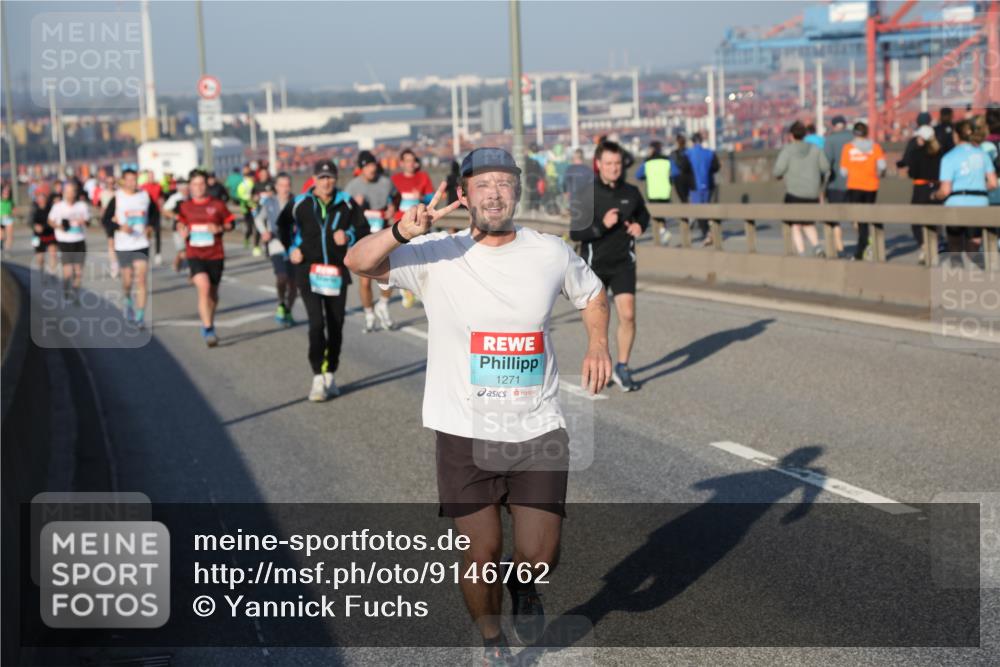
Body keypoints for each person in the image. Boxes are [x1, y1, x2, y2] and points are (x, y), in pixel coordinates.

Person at [345, 147, 611, 666]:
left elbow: (593, 295)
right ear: (463, 194)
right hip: (464, 430)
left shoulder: (549, 252)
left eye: (504, 183)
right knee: (480, 553)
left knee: (540, 556)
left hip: (537, 429)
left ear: (517, 191)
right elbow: (358, 261)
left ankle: (525, 586)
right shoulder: (434, 253)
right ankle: (493, 646)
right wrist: (402, 232)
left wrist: (598, 345)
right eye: (482, 184)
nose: (494, 193)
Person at [278, 160, 369, 401]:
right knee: (316, 323)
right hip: (308, 271)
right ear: (314, 179)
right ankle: (318, 376)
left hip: (336, 272)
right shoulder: (300, 204)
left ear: (336, 179)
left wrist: (348, 235)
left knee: (336, 324)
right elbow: (282, 225)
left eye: (330, 177)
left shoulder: (346, 203)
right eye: (322, 178)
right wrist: (291, 249)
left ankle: (331, 372)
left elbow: (364, 230)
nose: (326, 182)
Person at [570, 140, 649, 392]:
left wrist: (640, 226)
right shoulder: (586, 193)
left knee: (628, 315)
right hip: (595, 267)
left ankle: (622, 366)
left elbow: (644, 215)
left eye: (617, 163)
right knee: (598, 325)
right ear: (598, 164)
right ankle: (597, 362)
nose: (614, 168)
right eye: (608, 163)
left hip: (624, 262)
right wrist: (602, 225)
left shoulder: (631, 193)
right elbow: (576, 232)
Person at [175, 169, 236, 346]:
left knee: (213, 295)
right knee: (204, 286)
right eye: (195, 184)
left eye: (201, 184)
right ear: (190, 186)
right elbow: (180, 222)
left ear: (206, 185)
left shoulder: (217, 205)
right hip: (195, 254)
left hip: (215, 254)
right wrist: (182, 229)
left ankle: (210, 318)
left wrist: (220, 229)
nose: (198, 188)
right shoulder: (185, 206)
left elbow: (230, 223)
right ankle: (208, 328)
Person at [345, 151, 398, 332]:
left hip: (382, 233)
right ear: (361, 168)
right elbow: (344, 212)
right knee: (366, 280)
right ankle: (369, 314)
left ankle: (382, 304)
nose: (372, 169)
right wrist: (355, 206)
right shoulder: (352, 187)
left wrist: (392, 208)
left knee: (389, 274)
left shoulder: (385, 182)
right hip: (363, 236)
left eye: (373, 165)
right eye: (368, 166)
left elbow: (396, 197)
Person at [934, 117, 997, 253]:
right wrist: (978, 188)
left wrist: (934, 195)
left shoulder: (949, 157)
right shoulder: (983, 155)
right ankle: (973, 267)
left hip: (956, 204)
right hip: (979, 204)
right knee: (974, 244)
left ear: (956, 135)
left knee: (955, 246)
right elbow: (992, 183)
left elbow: (945, 190)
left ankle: (958, 268)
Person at [101, 169, 154, 326]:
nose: (132, 183)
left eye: (134, 179)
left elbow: (154, 215)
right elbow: (105, 220)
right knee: (127, 280)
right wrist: (119, 227)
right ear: (124, 181)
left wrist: (150, 226)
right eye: (129, 180)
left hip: (141, 243)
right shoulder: (117, 198)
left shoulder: (144, 196)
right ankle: (127, 300)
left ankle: (140, 316)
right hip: (123, 244)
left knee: (142, 279)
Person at [773, 121, 830, 256]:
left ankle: (802, 253)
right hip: (812, 194)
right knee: (808, 223)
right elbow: (825, 168)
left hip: (794, 194)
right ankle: (817, 247)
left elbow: (777, 171)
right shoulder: (816, 149)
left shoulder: (788, 150)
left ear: (791, 136)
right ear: (805, 135)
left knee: (796, 225)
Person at [391, 148, 435, 308]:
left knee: (421, 257)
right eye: (407, 161)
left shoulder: (423, 177)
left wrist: (421, 197)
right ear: (401, 163)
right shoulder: (394, 179)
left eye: (413, 160)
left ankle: (418, 289)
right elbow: (390, 199)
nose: (411, 164)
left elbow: (431, 197)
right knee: (404, 258)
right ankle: (406, 289)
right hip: (401, 225)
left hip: (420, 224)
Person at [896, 113, 942, 262]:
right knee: (934, 220)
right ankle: (934, 247)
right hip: (936, 187)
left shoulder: (916, 151)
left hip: (920, 188)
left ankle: (924, 248)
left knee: (916, 221)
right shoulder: (940, 152)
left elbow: (911, 170)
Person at [254, 172, 298, 327]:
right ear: (276, 187)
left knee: (293, 284)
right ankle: (280, 303)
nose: (285, 189)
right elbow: (259, 219)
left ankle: (288, 310)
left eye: (287, 185)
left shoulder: (296, 202)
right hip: (276, 244)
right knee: (281, 277)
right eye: (281, 186)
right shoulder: (269, 202)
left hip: (294, 246)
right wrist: (264, 232)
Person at [840, 122, 886, 260]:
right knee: (870, 215)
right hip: (871, 186)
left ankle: (863, 246)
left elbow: (843, 171)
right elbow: (882, 166)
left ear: (854, 133)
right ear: (866, 133)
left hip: (854, 186)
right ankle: (870, 242)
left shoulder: (848, 148)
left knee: (859, 219)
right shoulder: (875, 147)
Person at [48, 181, 91, 300]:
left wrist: (84, 222)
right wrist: (58, 226)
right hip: (64, 241)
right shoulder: (58, 206)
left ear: (76, 193)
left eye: (72, 192)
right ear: (63, 193)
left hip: (79, 241)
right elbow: (50, 221)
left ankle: (75, 295)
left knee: (78, 272)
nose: (70, 195)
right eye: (67, 192)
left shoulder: (82, 206)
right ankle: (66, 294)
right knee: (68, 272)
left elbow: (88, 222)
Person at [823, 115, 853, 256]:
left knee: (835, 219)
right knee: (858, 215)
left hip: (836, 184)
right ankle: (866, 244)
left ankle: (840, 248)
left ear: (834, 125)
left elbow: (826, 164)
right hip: (855, 183)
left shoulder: (830, 140)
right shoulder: (854, 137)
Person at [635, 140, 673, 245]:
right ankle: (663, 233)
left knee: (656, 215)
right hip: (665, 191)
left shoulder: (647, 162)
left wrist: (647, 176)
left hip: (653, 192)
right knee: (662, 214)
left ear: (652, 149)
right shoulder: (667, 160)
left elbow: (638, 175)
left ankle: (662, 233)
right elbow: (675, 172)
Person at [685, 132, 720, 245]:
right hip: (708, 184)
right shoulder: (709, 153)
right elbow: (716, 166)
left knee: (698, 211)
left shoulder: (688, 153)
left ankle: (707, 234)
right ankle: (709, 232)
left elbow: (683, 168)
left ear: (692, 141)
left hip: (694, 186)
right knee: (706, 209)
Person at [162, 178, 190, 273]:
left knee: (187, 249)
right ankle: (177, 264)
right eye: (184, 189)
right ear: (180, 189)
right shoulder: (175, 198)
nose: (186, 191)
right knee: (182, 250)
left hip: (190, 227)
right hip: (178, 228)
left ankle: (178, 264)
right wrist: (175, 216)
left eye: (187, 189)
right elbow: (165, 210)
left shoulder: (191, 197)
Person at [30, 189, 58, 280]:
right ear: (37, 200)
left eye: (43, 198)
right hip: (37, 236)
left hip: (50, 233)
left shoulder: (51, 208)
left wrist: (46, 226)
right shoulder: (34, 208)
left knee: (53, 254)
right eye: (39, 199)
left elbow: (55, 220)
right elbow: (29, 221)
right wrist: (34, 226)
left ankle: (52, 273)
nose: (41, 200)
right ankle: (41, 273)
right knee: (40, 258)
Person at [236, 167, 260, 255]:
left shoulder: (255, 184)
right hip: (246, 209)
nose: (251, 178)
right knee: (249, 228)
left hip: (255, 208)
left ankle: (256, 247)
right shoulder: (242, 185)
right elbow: (239, 196)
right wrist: (248, 199)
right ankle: (246, 238)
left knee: (257, 227)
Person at [669, 134, 692, 205]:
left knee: (683, 199)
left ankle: (685, 214)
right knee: (688, 198)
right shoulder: (689, 152)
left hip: (677, 178)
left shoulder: (673, 154)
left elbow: (671, 166)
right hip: (689, 177)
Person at [1, 182, 13, 252]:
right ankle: (1, 247)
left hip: (8, 219)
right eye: (4, 193)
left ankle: (7, 250)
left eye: (7, 193)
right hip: (0, 219)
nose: (6, 194)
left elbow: (13, 210)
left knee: (9, 236)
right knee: (1, 235)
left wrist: (10, 214)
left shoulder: (10, 201)